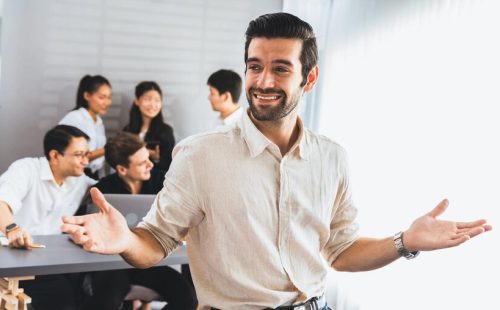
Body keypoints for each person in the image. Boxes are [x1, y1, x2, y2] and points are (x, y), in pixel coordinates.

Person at [61, 13, 492, 310]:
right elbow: (155, 242)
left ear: (310, 76)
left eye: (281, 69)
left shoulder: (332, 158)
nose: (264, 81)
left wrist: (406, 242)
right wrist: (125, 241)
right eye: (254, 66)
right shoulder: (201, 153)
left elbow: (340, 252)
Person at [81, 132, 196, 310]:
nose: (150, 164)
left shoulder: (163, 181)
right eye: (143, 163)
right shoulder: (102, 190)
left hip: (149, 259)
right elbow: (85, 228)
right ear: (122, 169)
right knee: (106, 301)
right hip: (113, 265)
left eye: (148, 159)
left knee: (187, 298)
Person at [0, 124, 96, 309]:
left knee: (72, 298)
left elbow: (108, 193)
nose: (86, 161)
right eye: (79, 155)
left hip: (47, 262)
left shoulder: (81, 181)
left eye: (87, 154)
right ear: (54, 156)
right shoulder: (26, 168)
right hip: (9, 259)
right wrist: (12, 229)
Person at [59, 74, 112, 179]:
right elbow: (69, 155)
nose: (107, 102)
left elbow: (98, 163)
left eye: (109, 97)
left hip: (93, 176)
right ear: (87, 96)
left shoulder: (99, 123)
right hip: (75, 175)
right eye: (102, 97)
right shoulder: (74, 118)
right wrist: (108, 149)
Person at [124, 81, 175, 172]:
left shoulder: (166, 131)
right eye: (147, 99)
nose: (152, 104)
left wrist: (156, 159)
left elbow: (170, 165)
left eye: (157, 100)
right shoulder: (128, 130)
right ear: (137, 101)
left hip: (155, 182)